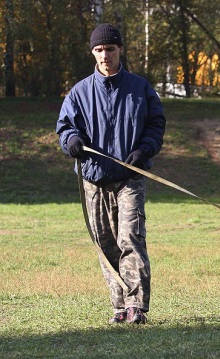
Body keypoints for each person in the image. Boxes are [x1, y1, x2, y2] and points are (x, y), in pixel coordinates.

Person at [56, 23, 166, 324]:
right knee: (105, 244)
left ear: (120, 50)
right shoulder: (79, 92)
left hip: (130, 178)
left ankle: (136, 307)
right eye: (100, 50)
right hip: (94, 179)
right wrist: (72, 142)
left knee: (130, 237)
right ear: (93, 52)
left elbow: (156, 125)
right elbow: (65, 127)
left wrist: (144, 151)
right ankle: (119, 305)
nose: (105, 55)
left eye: (110, 49)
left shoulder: (140, 88)